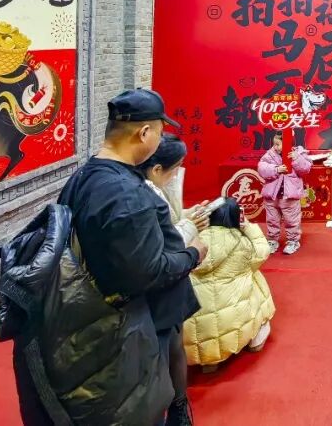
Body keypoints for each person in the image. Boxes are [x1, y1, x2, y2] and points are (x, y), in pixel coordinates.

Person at [56, 89, 207, 426]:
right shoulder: (124, 193)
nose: (160, 140)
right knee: (144, 400)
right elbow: (147, 272)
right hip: (134, 323)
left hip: (107, 318)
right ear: (145, 133)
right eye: (160, 132)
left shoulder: (87, 176)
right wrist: (193, 254)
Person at [139, 134, 211, 423]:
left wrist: (189, 217)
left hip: (172, 277)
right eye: (176, 167)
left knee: (174, 345)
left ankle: (179, 407)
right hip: (160, 278)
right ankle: (171, 410)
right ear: (157, 169)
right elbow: (163, 243)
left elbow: (169, 223)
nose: (177, 175)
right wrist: (190, 228)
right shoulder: (142, 194)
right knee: (164, 352)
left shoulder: (150, 186)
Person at [183, 197, 276, 371]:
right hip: (233, 318)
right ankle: (256, 340)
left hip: (194, 324)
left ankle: (210, 362)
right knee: (256, 278)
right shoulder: (242, 243)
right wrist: (248, 227)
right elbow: (262, 252)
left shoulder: (191, 242)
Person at [258, 131, 312, 255]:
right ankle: (272, 240)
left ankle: (293, 241)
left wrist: (296, 158)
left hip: (290, 196)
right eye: (274, 144)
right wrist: (276, 169)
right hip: (272, 196)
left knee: (292, 220)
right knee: (272, 220)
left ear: (288, 143)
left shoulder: (299, 153)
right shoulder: (270, 155)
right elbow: (261, 168)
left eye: (278, 144)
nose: (275, 147)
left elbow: (306, 169)